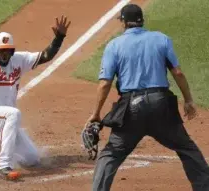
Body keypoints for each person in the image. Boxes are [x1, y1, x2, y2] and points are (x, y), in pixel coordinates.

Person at [85, 3, 209, 191]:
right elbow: (178, 73)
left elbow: (104, 83)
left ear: (124, 23)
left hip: (131, 110)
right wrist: (189, 100)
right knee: (187, 148)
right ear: (142, 21)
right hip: (161, 106)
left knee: (110, 155)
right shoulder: (162, 39)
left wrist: (96, 114)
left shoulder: (114, 45)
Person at [0, 2, 71, 180]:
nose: (4, 54)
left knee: (31, 158)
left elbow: (46, 56)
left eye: (7, 51)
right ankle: (1, 166)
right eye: (1, 51)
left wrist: (59, 38)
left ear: (12, 50)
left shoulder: (19, 60)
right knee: (13, 114)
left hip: (3, 120)